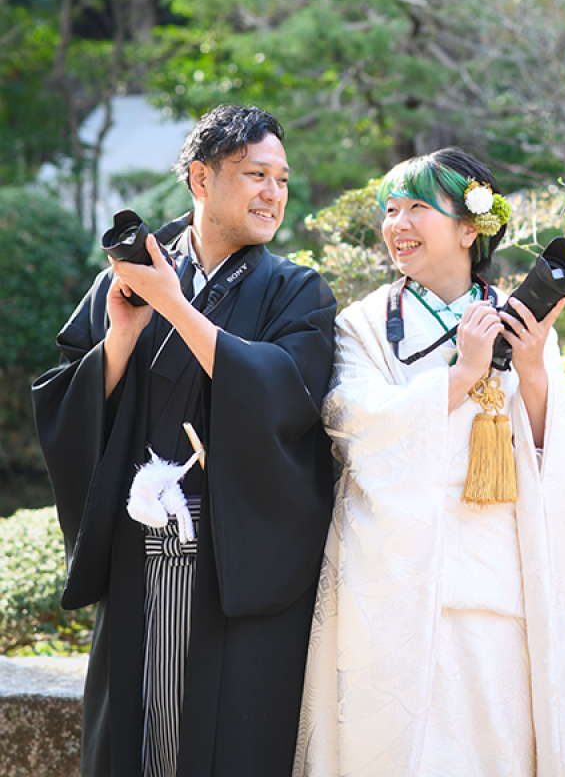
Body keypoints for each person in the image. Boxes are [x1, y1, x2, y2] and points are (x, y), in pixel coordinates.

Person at [33, 104, 337, 777]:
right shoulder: (130, 276)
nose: (273, 194)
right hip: (142, 544)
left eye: (281, 179)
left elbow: (288, 395)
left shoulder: (297, 291)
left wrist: (173, 306)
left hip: (240, 562)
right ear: (201, 179)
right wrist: (120, 336)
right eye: (256, 174)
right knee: (139, 738)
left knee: (234, 742)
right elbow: (68, 399)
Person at [294, 147, 565, 777]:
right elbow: (352, 423)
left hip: (499, 571)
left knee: (496, 741)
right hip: (399, 572)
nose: (396, 224)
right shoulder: (366, 324)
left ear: (469, 228)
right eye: (390, 210)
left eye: (417, 209)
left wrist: (535, 368)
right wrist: (462, 374)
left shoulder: (525, 323)